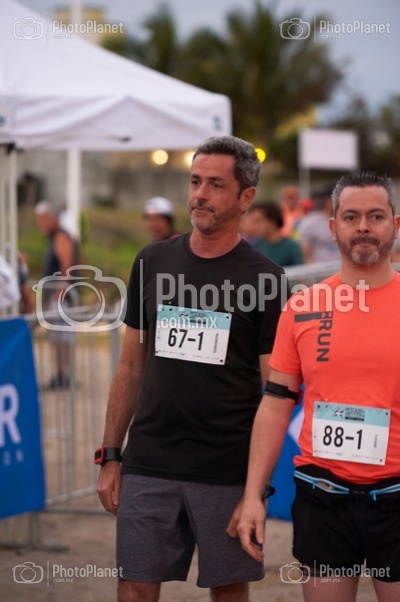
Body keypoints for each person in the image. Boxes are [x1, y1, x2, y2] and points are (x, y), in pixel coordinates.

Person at [96, 135, 287, 602]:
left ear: (246, 197)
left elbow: (274, 391)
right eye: (195, 181)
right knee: (134, 587)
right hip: (150, 460)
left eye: (215, 185)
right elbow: (130, 367)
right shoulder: (153, 260)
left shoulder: (265, 278)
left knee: (229, 590)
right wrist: (111, 455)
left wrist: (256, 487)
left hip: (226, 468)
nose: (200, 194)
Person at [237, 172, 400, 602]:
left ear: (395, 225)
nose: (363, 226)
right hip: (323, 497)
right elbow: (275, 404)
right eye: (351, 217)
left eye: (376, 216)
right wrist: (253, 495)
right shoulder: (303, 306)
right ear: (333, 227)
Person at [34, 201, 79, 390]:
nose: (41, 224)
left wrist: (61, 289)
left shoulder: (60, 236)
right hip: (58, 294)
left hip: (61, 296)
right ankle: (62, 373)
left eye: (43, 220)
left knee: (62, 336)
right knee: (58, 337)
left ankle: (64, 374)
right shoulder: (55, 236)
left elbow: (66, 264)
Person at [248, 201, 304, 267]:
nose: (254, 225)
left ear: (272, 220)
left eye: (258, 220)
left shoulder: (291, 247)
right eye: (253, 221)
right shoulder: (254, 247)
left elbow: (300, 271)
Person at [298, 185, 340, 263]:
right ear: (327, 200)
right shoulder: (310, 222)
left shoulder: (347, 220)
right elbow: (306, 254)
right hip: (320, 269)